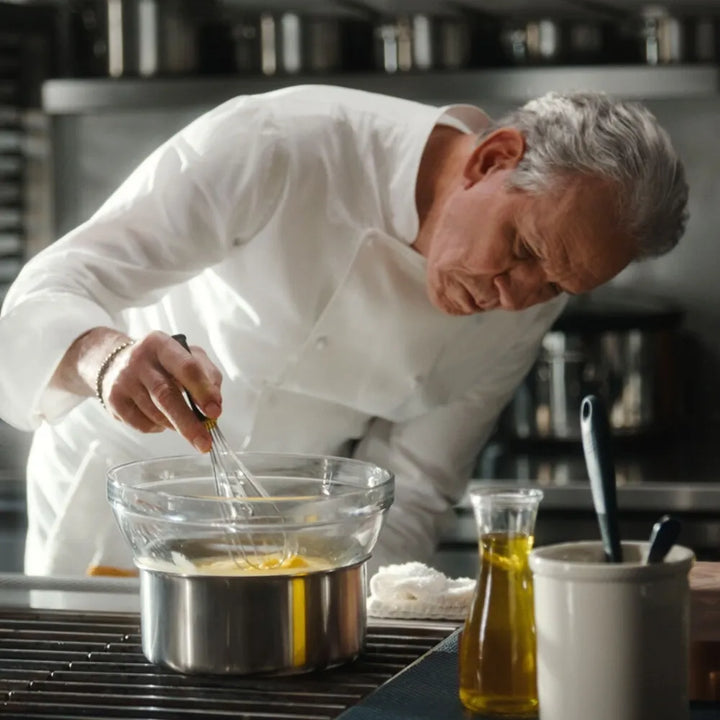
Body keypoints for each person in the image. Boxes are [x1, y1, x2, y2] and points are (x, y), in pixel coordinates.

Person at [0, 85, 688, 577]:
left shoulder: (532, 300)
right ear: (491, 160)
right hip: (119, 506)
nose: (517, 296)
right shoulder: (282, 143)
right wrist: (106, 358)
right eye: (524, 250)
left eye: (559, 285)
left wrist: (348, 612)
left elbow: (415, 487)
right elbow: (53, 286)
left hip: (293, 549)